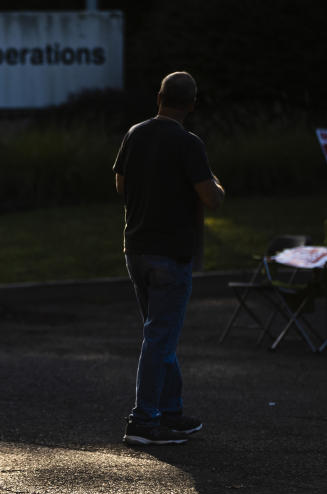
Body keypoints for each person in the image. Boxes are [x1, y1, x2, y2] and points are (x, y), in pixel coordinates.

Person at [112, 71, 225, 445]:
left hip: (136, 249)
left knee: (160, 334)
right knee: (160, 337)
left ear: (158, 97)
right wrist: (215, 185)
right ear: (192, 105)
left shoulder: (135, 133)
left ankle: (171, 411)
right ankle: (143, 420)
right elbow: (210, 197)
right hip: (171, 254)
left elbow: (120, 185)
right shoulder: (188, 143)